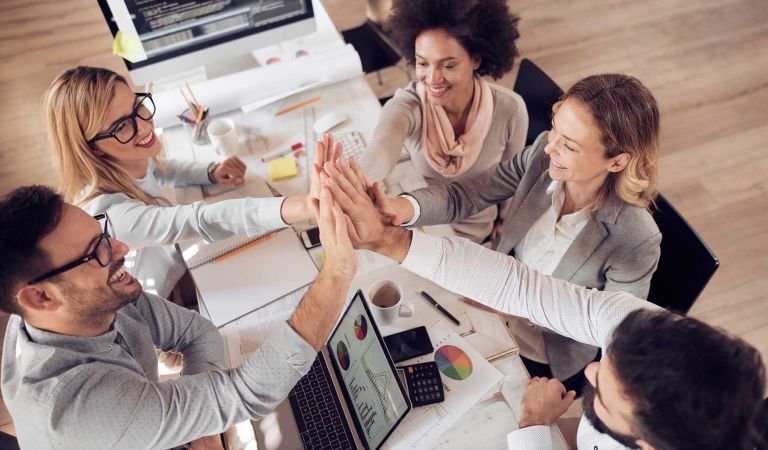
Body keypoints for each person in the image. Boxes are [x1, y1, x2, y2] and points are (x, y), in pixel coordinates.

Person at [319, 159, 766, 450]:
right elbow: (521, 288)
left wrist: (534, 427)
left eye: (605, 394)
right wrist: (391, 240)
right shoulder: (636, 326)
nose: (591, 369)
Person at [0, 183, 355, 449]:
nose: (119, 248)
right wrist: (336, 274)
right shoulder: (77, 406)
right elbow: (246, 393)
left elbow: (198, 332)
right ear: (39, 297)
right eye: (95, 251)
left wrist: (203, 427)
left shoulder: (87, 298)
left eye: (103, 233)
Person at [366, 74, 662, 394]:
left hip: (543, 350)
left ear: (618, 161)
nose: (550, 146)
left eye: (569, 145)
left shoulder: (636, 239)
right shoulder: (542, 157)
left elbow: (619, 336)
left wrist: (510, 304)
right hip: (489, 298)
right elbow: (466, 195)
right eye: (555, 130)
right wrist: (401, 208)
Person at [45, 66, 341, 300]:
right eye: (122, 126)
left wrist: (209, 171)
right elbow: (200, 219)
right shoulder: (114, 218)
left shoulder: (123, 160)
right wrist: (304, 204)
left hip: (174, 266)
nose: (144, 126)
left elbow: (158, 170)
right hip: (156, 299)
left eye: (138, 107)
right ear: (92, 147)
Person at [359, 0, 528, 243]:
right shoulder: (409, 105)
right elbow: (382, 148)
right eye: (423, 63)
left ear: (476, 60)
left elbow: (513, 184)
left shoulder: (510, 110)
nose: (433, 79)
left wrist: (505, 225)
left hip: (478, 240)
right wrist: (353, 182)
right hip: (423, 232)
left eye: (448, 65)